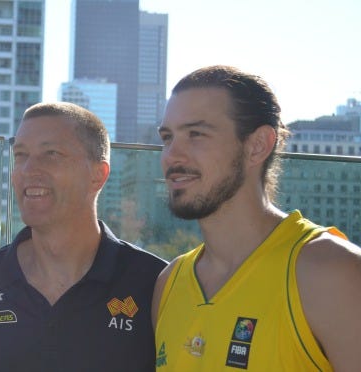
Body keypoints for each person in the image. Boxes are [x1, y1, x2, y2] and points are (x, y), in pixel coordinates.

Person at [152, 65, 361, 371]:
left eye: (196, 134)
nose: (172, 155)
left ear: (258, 145)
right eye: (167, 137)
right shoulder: (169, 284)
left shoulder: (331, 272)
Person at [0, 102, 167, 372]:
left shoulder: (154, 284)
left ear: (97, 175)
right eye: (20, 155)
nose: (28, 169)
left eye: (51, 154)